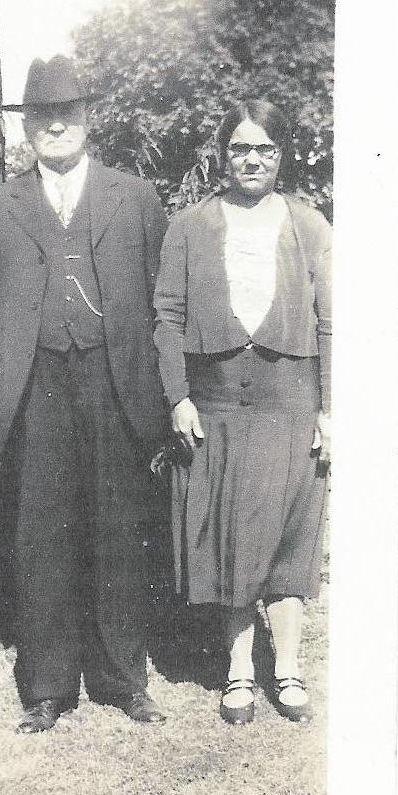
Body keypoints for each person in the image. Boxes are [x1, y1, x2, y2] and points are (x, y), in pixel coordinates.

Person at [0, 55, 170, 734]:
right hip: (36, 390)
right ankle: (47, 687)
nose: (55, 125)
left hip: (116, 386)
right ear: (25, 126)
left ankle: (123, 679)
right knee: (40, 539)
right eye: (41, 115)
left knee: (119, 534)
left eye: (67, 112)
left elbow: (161, 301)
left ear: (88, 118)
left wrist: (158, 393)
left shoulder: (135, 197)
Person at [153, 100, 331, 724]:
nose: (251, 160)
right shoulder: (190, 225)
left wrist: (330, 409)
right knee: (231, 533)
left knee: (288, 533)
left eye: (264, 149)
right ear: (223, 154)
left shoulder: (309, 225)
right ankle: (237, 674)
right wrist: (178, 396)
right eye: (239, 148)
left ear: (280, 155)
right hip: (219, 400)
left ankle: (287, 670)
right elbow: (168, 317)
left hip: (290, 400)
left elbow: (332, 321)